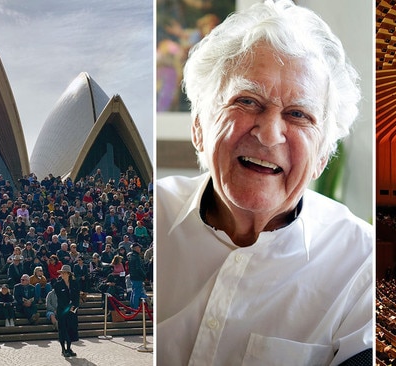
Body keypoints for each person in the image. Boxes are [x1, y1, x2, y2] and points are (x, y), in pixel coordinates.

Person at [156, 1, 372, 364]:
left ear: (322, 157)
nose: (270, 134)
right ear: (198, 127)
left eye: (299, 114)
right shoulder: (150, 216)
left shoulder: (361, 266)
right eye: (248, 101)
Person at [53, 265, 80, 358]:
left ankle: (69, 348)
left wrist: (74, 307)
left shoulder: (74, 283)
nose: (62, 274)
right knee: (63, 330)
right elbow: (61, 299)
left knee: (71, 329)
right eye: (62, 272)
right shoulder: (58, 284)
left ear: (68, 274)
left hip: (72, 311)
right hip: (62, 311)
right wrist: (67, 308)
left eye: (64, 272)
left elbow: (77, 296)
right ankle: (63, 349)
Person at [128, 243, 147, 310]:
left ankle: (132, 307)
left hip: (133, 276)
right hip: (138, 277)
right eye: (138, 247)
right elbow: (138, 268)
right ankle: (135, 308)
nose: (140, 249)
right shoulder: (136, 257)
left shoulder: (130, 256)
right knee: (137, 293)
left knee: (133, 292)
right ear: (135, 248)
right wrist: (144, 275)